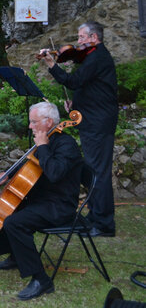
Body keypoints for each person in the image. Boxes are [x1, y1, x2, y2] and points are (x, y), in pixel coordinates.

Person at [0, 102, 85, 300]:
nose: (30, 126)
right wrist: (9, 174)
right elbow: (31, 164)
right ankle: (16, 255)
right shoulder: (46, 140)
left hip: (59, 206)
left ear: (49, 122)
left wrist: (42, 147)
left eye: (34, 122)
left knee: (14, 223)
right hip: (42, 199)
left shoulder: (66, 145)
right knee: (0, 207)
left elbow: (54, 173)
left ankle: (42, 280)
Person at [39, 21, 118, 237]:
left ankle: (104, 224)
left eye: (82, 37)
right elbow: (92, 87)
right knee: (92, 170)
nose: (78, 42)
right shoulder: (91, 58)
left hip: (98, 123)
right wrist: (76, 104)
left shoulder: (97, 57)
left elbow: (73, 81)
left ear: (94, 38)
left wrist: (52, 65)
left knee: (98, 173)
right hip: (92, 120)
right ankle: (95, 216)